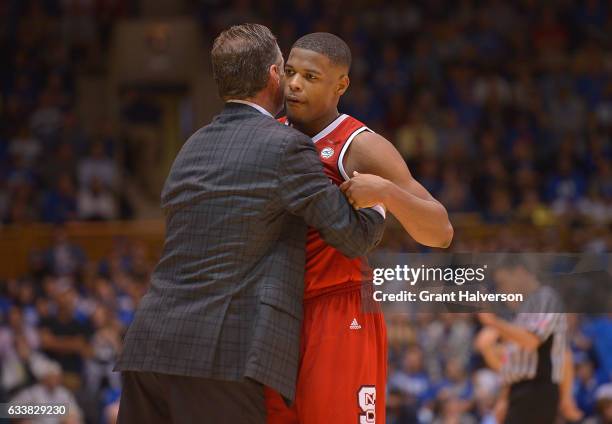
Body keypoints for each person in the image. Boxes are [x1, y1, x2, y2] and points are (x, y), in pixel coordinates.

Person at [114, 24, 386, 424]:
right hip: (222, 355)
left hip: (149, 347)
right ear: (274, 75)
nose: (294, 83)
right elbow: (354, 237)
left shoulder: (192, 146)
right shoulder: (286, 146)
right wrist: (379, 194)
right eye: (288, 72)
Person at [266, 32, 452, 424]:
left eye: (311, 77)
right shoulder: (267, 133)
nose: (295, 84)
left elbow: (441, 231)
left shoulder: (361, 146)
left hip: (337, 310)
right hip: (275, 311)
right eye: (290, 72)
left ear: (341, 85)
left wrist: (386, 191)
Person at [476, 257, 570, 424]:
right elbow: (513, 360)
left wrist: (493, 322)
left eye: (503, 283)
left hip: (537, 390)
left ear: (520, 272)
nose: (501, 290)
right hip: (520, 392)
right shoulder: (524, 309)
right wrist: (504, 398)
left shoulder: (545, 298)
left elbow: (532, 340)